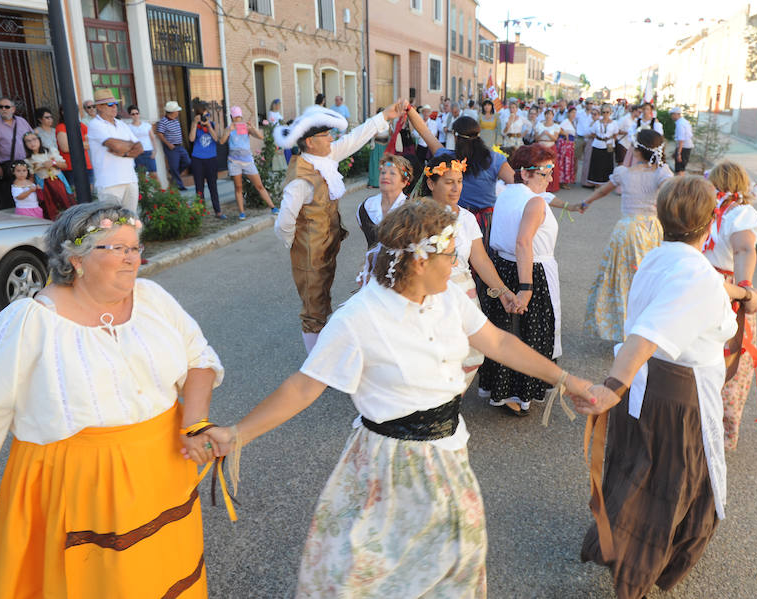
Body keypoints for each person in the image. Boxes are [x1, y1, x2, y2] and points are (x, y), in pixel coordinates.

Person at [201, 198, 598, 598]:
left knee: (451, 570)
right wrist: (237, 433)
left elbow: (497, 342)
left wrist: (566, 379)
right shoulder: (359, 318)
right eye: (449, 254)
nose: (455, 261)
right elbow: (304, 386)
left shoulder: (448, 298)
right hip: (385, 467)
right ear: (420, 261)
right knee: (369, 576)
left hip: (448, 455)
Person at [0, 202, 224, 598]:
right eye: (116, 248)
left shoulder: (152, 298)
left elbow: (199, 360)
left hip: (163, 469)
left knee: (160, 576)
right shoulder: (28, 322)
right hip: (80, 484)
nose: (131, 258)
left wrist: (196, 423)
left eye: (134, 247)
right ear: (76, 258)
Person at [579, 176, 737, 599]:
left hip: (647, 387)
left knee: (639, 467)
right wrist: (612, 385)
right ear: (710, 223)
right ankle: (635, 574)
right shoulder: (696, 276)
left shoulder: (661, 258)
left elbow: (687, 295)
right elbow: (647, 334)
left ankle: (622, 548)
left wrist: (739, 292)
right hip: (676, 394)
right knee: (669, 482)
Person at [272, 100, 405, 352]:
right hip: (309, 251)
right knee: (313, 309)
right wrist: (297, 244)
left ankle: (324, 352)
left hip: (324, 246)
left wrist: (385, 116)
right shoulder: (300, 178)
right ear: (310, 141)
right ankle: (317, 365)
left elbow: (355, 138)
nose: (332, 138)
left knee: (322, 300)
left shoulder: (325, 157)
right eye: (326, 135)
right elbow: (284, 222)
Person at [419, 154, 520, 386]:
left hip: (463, 292)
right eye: (449, 182)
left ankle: (450, 406)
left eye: (460, 181)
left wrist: (503, 292)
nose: (456, 188)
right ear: (431, 183)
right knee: (432, 354)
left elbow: (481, 260)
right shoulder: (417, 216)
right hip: (429, 294)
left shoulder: (466, 218)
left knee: (470, 354)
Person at [479, 144, 564, 416]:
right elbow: (523, 242)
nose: (550, 178)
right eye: (545, 172)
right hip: (529, 270)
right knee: (527, 332)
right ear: (525, 174)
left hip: (502, 266)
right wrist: (526, 287)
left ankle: (502, 389)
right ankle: (518, 393)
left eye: (551, 171)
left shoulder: (505, 194)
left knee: (506, 328)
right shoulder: (534, 201)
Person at [581, 129, 672, 342]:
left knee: (624, 280)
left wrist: (586, 202)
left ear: (637, 150)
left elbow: (603, 190)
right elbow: (670, 191)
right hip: (652, 230)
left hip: (628, 230)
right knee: (650, 279)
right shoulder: (662, 173)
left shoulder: (625, 173)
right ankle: (648, 329)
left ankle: (624, 328)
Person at [703, 160, 757, 450]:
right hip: (713, 288)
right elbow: (742, 249)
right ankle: (704, 423)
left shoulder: (736, 214)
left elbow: (744, 249)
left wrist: (744, 289)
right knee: (716, 358)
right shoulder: (715, 211)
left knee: (723, 358)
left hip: (718, 290)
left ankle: (712, 426)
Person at [406, 110, 515, 240]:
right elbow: (517, 184)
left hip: (454, 220)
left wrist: (409, 109)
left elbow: (424, 132)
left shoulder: (447, 159)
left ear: (456, 137)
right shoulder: (494, 159)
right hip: (486, 222)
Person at [86, 88, 142, 212]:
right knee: (112, 224)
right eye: (110, 104)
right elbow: (115, 146)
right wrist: (128, 146)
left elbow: (139, 147)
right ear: (99, 107)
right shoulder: (95, 124)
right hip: (109, 183)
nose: (115, 107)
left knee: (132, 222)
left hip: (130, 179)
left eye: (116, 104)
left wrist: (124, 152)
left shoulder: (121, 124)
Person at [219, 105, 277, 219]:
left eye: (238, 117)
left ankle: (273, 207)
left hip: (247, 161)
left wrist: (253, 128)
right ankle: (242, 212)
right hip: (234, 162)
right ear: (232, 117)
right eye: (236, 118)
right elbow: (221, 142)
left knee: (259, 185)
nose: (237, 120)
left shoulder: (245, 127)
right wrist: (228, 131)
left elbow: (260, 137)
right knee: (239, 187)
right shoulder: (229, 128)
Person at [357, 153, 413, 248]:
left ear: (404, 181)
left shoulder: (411, 210)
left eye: (392, 173)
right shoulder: (365, 207)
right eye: (383, 172)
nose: (385, 176)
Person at [0, 96, 32, 208]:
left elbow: (33, 137)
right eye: (0, 107)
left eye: (7, 106)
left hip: (26, 163)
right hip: (8, 165)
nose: (3, 109)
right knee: (12, 195)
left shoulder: (22, 121)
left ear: (13, 109)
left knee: (29, 192)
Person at [23, 131, 76, 220]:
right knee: (50, 208)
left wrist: (53, 162)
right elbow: (31, 178)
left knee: (66, 203)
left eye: (34, 139)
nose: (32, 143)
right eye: (28, 141)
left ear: (39, 140)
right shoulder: (28, 160)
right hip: (44, 185)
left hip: (58, 182)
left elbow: (65, 165)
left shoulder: (50, 151)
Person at [189, 103, 222, 218]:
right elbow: (191, 139)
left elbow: (216, 138)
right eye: (203, 116)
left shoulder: (213, 124)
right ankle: (200, 212)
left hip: (211, 159)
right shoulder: (196, 126)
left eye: (207, 115)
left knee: (213, 186)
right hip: (197, 159)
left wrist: (208, 126)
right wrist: (194, 123)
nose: (205, 117)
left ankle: (218, 211)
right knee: (199, 187)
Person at [155, 101, 191, 191]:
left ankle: (174, 174)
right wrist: (168, 144)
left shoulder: (175, 121)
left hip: (179, 146)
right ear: (172, 112)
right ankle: (179, 185)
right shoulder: (163, 122)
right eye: (177, 111)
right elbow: (159, 134)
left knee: (187, 161)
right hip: (171, 147)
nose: (178, 112)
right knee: (174, 166)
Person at [56, 106, 93, 188]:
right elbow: (65, 148)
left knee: (89, 195)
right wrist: (83, 144)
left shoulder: (82, 125)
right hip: (70, 166)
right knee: (75, 196)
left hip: (86, 164)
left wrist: (73, 144)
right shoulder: (61, 127)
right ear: (62, 112)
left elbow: (91, 144)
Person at [586, 104, 619, 187]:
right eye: (603, 112)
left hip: (608, 145)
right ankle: (597, 183)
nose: (605, 114)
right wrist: (599, 138)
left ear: (610, 113)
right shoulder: (597, 122)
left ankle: (606, 183)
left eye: (607, 112)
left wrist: (610, 141)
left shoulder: (614, 123)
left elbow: (615, 134)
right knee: (597, 164)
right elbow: (592, 133)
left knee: (607, 164)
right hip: (598, 144)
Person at [533, 109, 561, 192]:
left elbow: (555, 138)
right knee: (540, 166)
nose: (548, 116)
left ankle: (552, 186)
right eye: (547, 114)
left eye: (550, 114)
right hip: (541, 146)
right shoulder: (539, 125)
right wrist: (542, 134)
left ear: (553, 116)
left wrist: (548, 134)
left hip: (551, 145)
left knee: (551, 166)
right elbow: (536, 138)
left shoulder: (556, 126)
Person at [126, 104, 157, 177]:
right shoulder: (128, 127)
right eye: (133, 114)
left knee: (154, 174)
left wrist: (155, 151)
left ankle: (159, 189)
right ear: (130, 115)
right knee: (141, 176)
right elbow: (128, 142)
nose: (135, 115)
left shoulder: (147, 125)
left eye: (137, 113)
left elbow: (153, 138)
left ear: (139, 114)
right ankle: (144, 189)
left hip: (148, 152)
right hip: (137, 153)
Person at [367, 107, 389, 187]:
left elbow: (391, 133)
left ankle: (384, 182)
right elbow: (372, 134)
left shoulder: (388, 123)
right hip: (377, 145)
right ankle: (374, 183)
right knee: (375, 164)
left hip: (385, 145)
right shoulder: (375, 123)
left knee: (384, 164)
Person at [556, 107, 578, 189]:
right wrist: (566, 134)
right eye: (572, 112)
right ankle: (562, 181)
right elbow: (559, 129)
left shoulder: (573, 122)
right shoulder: (565, 121)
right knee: (564, 162)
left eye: (575, 113)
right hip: (565, 144)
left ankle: (565, 181)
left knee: (568, 162)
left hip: (570, 144)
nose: (573, 115)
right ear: (568, 113)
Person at [672, 106, 693, 174]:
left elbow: (681, 139)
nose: (671, 116)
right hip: (686, 147)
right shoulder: (683, 121)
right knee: (681, 169)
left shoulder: (680, 124)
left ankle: (680, 183)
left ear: (677, 114)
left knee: (679, 170)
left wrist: (679, 153)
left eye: (672, 114)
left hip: (683, 147)